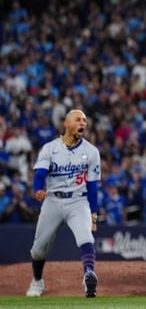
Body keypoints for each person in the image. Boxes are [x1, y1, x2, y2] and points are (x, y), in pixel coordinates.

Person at [26, 109, 101, 298]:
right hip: (53, 201)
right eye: (78, 120)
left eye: (84, 120)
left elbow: (92, 187)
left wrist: (93, 214)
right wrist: (38, 189)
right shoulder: (50, 149)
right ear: (66, 124)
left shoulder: (91, 152)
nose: (82, 123)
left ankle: (89, 275)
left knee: (86, 238)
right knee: (38, 250)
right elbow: (40, 174)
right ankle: (37, 281)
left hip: (78, 201)